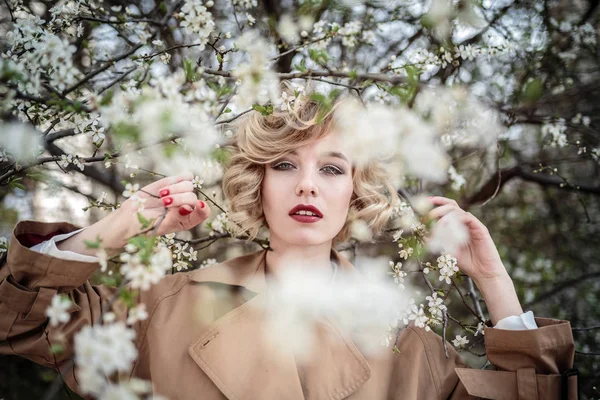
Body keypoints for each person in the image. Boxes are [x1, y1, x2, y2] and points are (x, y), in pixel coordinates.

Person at [0, 89, 577, 400]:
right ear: (259, 184)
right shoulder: (160, 308)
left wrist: (495, 285)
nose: (306, 183)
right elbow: (16, 323)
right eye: (284, 164)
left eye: (331, 168)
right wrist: (121, 225)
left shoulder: (412, 352)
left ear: (355, 192)